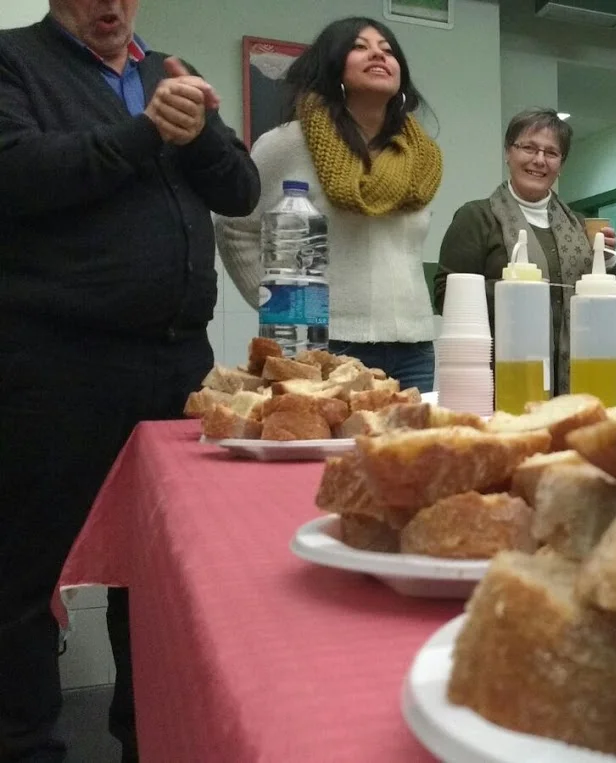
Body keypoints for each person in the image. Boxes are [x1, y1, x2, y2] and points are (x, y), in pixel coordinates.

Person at [0, 0, 260, 760]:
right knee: (27, 572)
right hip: (55, 362)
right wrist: (147, 132)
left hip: (178, 363)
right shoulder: (14, 61)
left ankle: (152, 742)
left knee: (158, 575)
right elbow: (17, 174)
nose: (109, 5)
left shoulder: (168, 72)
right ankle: (25, 746)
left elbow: (240, 190)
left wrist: (198, 130)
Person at [217, 17, 442, 392]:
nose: (378, 54)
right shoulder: (288, 143)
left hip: (415, 347)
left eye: (387, 50)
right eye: (360, 47)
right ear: (333, 65)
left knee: (408, 435)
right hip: (326, 344)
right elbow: (234, 224)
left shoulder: (420, 156)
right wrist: (277, 306)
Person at [436, 108, 616, 395]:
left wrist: (605, 260)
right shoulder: (477, 217)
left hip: (577, 380)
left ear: (561, 164)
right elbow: (445, 296)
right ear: (508, 153)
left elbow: (603, 306)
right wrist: (514, 294)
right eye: (529, 148)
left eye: (551, 152)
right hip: (502, 379)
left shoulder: (579, 224)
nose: (539, 160)